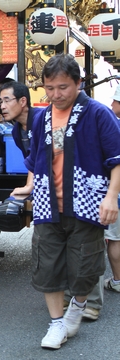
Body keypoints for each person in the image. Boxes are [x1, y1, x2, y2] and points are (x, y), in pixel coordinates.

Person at [24, 54, 120, 350]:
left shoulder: (99, 113)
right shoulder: (41, 117)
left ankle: (76, 309)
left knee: (86, 265)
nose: (56, 94)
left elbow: (116, 160)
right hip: (47, 202)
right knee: (47, 264)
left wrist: (111, 197)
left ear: (79, 83)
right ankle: (56, 323)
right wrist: (28, 188)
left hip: (88, 202)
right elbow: (36, 158)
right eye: (49, 88)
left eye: (63, 87)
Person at [3, 81, 103, 321]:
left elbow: (57, 153)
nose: (2, 106)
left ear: (22, 101)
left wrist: (32, 186)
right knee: (56, 249)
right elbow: (33, 159)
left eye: (6, 100)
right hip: (48, 191)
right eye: (1, 101)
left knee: (85, 244)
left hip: (75, 186)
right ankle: (68, 301)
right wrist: (32, 186)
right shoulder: (17, 130)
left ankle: (92, 301)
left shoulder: (45, 117)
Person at [104, 85, 120, 294]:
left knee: (114, 238)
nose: (111, 105)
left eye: (115, 101)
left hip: (116, 190)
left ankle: (118, 280)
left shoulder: (114, 127)